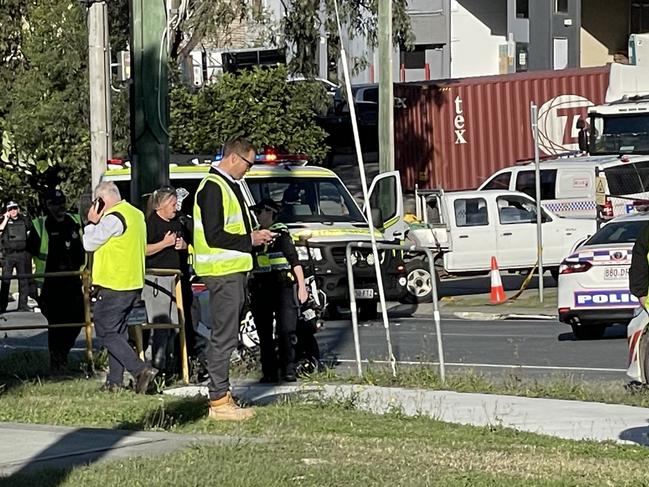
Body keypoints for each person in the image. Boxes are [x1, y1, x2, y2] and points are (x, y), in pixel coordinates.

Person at [193, 137, 274, 420]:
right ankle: (218, 401)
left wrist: (255, 237)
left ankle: (222, 395)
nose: (248, 171)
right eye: (249, 164)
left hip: (231, 271)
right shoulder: (214, 187)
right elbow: (214, 235)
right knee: (224, 337)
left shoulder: (227, 185)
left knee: (226, 336)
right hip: (221, 272)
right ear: (234, 158)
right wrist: (249, 239)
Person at [83, 181, 157, 393]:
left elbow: (89, 243)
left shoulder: (113, 218)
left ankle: (139, 370)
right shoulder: (135, 214)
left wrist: (91, 222)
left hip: (114, 284)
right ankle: (114, 382)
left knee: (106, 332)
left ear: (100, 201)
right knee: (118, 333)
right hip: (132, 283)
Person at [249, 198, 308, 383]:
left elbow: (294, 262)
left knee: (286, 330)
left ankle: (288, 370)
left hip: (282, 287)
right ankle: (269, 372)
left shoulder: (281, 234)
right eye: (256, 212)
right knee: (264, 333)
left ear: (270, 212)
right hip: (260, 288)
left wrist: (302, 287)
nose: (257, 215)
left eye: (260, 212)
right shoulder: (254, 237)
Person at [27, 189, 85, 371]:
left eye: (63, 203)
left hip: (74, 281)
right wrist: (29, 285)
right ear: (48, 205)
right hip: (50, 284)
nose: (61, 207)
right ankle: (57, 361)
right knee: (57, 324)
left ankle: (63, 353)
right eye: (56, 204)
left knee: (78, 319)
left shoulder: (75, 222)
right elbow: (28, 257)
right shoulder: (40, 226)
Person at [144, 186, 195, 375]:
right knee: (161, 325)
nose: (176, 208)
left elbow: (185, 243)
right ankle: (157, 367)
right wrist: (164, 244)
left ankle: (174, 367)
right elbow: (143, 250)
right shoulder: (151, 223)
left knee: (175, 324)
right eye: (172, 204)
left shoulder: (177, 222)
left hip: (176, 280)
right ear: (161, 206)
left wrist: (184, 246)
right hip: (157, 279)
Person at [0, 201, 33, 312]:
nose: (13, 211)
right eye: (10, 209)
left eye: (14, 208)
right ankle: (2, 306)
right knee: (6, 280)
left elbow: (31, 230)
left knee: (23, 281)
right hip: (8, 255)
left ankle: (23, 306)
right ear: (7, 211)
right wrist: (5, 218)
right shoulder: (4, 220)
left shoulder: (23, 219)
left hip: (22, 254)